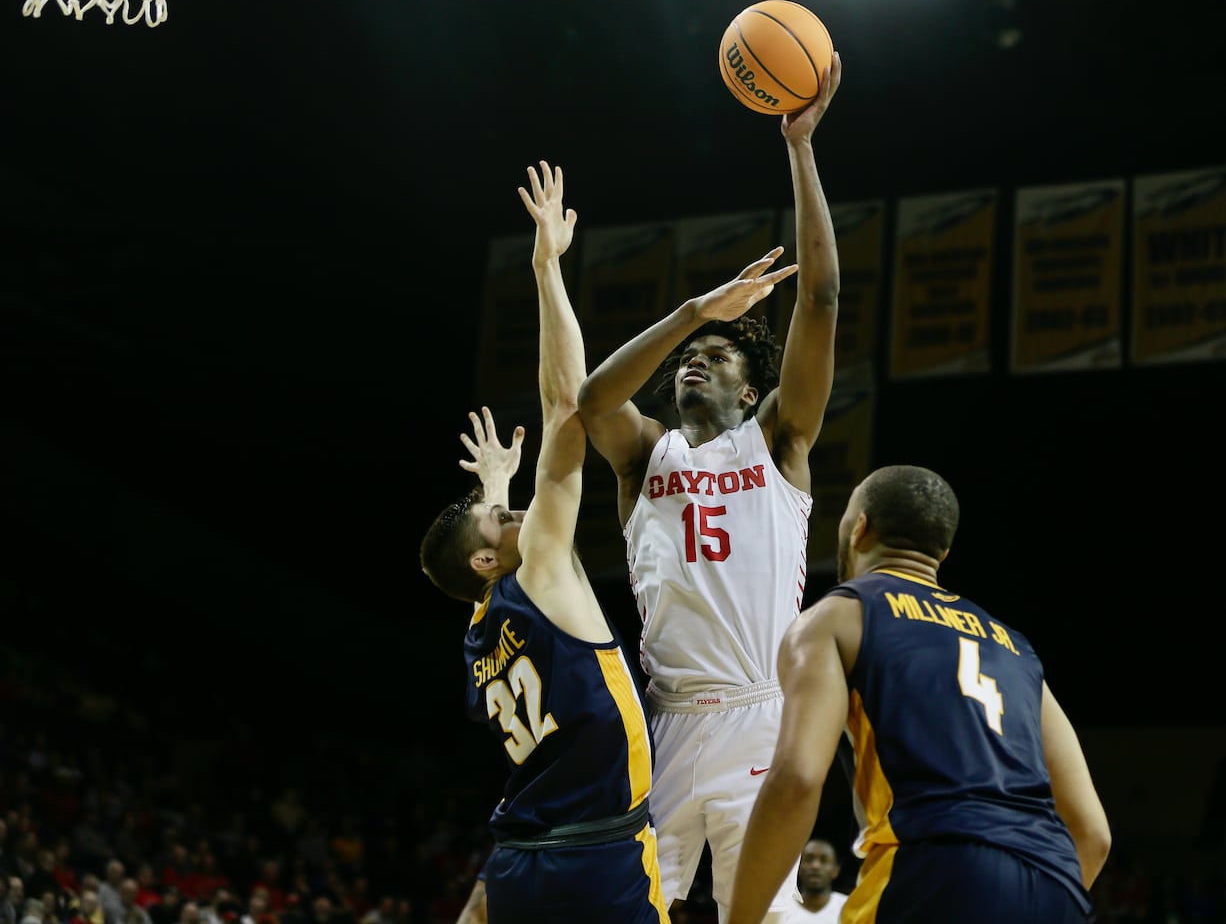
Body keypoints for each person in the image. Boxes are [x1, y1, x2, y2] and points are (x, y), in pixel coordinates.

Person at [574, 54, 843, 921]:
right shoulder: (643, 457)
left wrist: (800, 150)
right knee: (621, 911)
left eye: (717, 356)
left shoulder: (780, 444)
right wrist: (696, 313)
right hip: (662, 725)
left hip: (761, 720)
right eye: (690, 358)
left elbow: (824, 300)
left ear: (748, 388)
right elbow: (591, 399)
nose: (695, 362)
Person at [418, 160, 670, 924]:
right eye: (500, 516)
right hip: (599, 859)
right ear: (493, 557)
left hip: (521, 858)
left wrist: (492, 493)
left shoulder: (476, 629)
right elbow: (570, 405)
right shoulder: (546, 571)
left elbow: (482, 557)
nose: (515, 510)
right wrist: (547, 266)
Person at [726, 465, 1112, 924]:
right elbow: (1093, 834)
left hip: (935, 868)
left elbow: (798, 781)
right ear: (942, 552)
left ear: (859, 529)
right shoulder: (1015, 648)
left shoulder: (835, 617)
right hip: (1056, 885)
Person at [780, 838, 846, 923]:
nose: (815, 866)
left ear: (836, 870)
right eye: (809, 859)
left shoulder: (848, 906)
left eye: (824, 860)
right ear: (798, 868)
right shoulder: (781, 908)